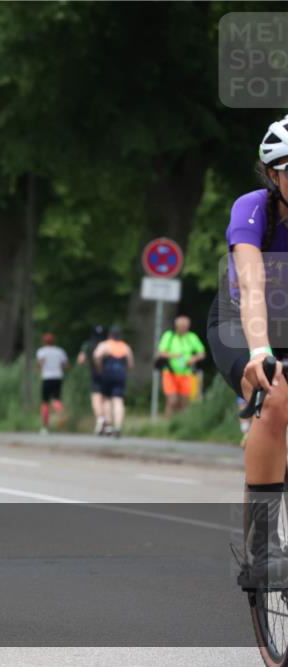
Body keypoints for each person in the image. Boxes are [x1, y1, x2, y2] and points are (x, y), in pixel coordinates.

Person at [207, 113, 288, 588]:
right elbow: (254, 288)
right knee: (273, 395)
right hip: (240, 323)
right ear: (274, 175)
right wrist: (260, 352)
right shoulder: (253, 210)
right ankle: (263, 550)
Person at [157, 315, 206, 419]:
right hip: (170, 373)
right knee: (172, 400)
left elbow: (202, 353)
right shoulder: (169, 336)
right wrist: (174, 355)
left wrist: (193, 359)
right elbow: (161, 353)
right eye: (181, 326)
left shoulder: (191, 337)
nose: (183, 328)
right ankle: (167, 422)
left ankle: (180, 423)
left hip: (186, 373)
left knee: (184, 402)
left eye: (185, 326)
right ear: (176, 326)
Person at [93, 325, 133, 438]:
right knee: (118, 400)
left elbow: (96, 356)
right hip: (120, 375)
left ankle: (109, 425)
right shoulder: (125, 346)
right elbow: (130, 364)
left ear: (109, 335)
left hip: (107, 374)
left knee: (106, 399)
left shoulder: (105, 345)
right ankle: (118, 426)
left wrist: (99, 368)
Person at [76, 325, 108, 434]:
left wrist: (87, 364)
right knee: (105, 399)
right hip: (108, 374)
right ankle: (106, 423)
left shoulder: (88, 344)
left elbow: (81, 360)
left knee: (96, 397)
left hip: (95, 373)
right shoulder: (106, 344)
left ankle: (100, 418)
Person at [36, 332, 68, 435]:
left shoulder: (41, 351)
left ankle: (45, 426)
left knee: (45, 402)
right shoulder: (59, 351)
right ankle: (60, 410)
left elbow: (40, 363)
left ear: (44, 342)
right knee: (56, 399)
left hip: (47, 377)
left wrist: (39, 368)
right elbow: (65, 365)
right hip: (58, 377)